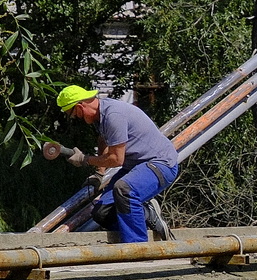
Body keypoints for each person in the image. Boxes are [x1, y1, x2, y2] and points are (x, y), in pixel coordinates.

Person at [42, 85, 179, 242]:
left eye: (73, 114)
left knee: (125, 189)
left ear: (80, 106)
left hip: (161, 164)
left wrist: (85, 160)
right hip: (136, 166)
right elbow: (103, 140)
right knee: (102, 213)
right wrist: (99, 173)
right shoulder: (100, 116)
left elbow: (116, 159)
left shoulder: (113, 115)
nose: (76, 118)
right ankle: (146, 215)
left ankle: (138, 248)